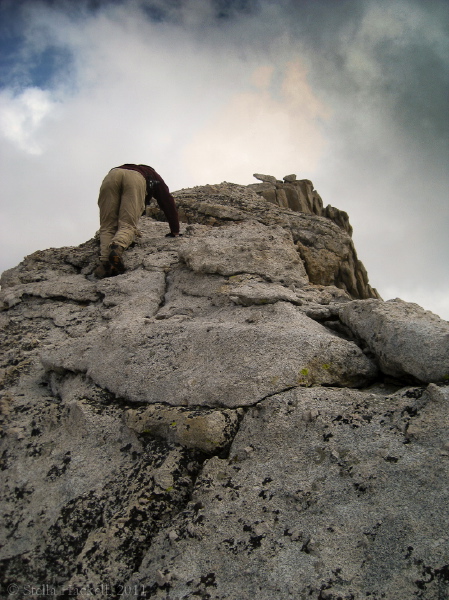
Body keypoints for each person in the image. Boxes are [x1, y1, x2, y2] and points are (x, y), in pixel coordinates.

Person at [94, 163, 180, 278]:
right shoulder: (152, 175)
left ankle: (106, 262)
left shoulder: (124, 167)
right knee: (127, 224)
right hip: (135, 179)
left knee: (107, 226)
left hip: (112, 175)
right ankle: (117, 245)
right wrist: (175, 229)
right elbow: (167, 202)